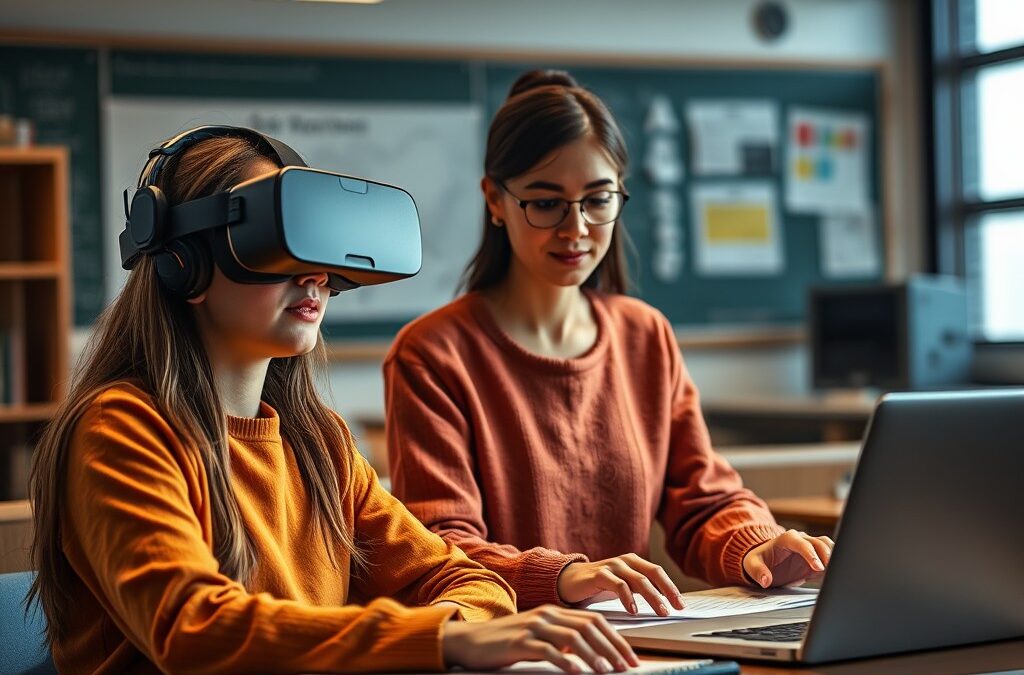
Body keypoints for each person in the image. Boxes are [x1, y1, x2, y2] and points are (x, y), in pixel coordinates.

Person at [28, 127, 639, 674]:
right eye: (274, 243)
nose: (314, 275)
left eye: (316, 249)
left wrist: (456, 626)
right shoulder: (121, 429)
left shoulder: (318, 444)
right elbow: (195, 632)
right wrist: (445, 643)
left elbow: (463, 579)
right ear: (182, 263)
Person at [384, 70, 835, 616]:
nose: (575, 229)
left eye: (598, 200)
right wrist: (566, 576)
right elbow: (439, 548)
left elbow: (703, 499)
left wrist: (758, 547)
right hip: (514, 645)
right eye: (545, 203)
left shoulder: (644, 336)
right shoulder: (433, 353)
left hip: (635, 644)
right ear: (495, 201)